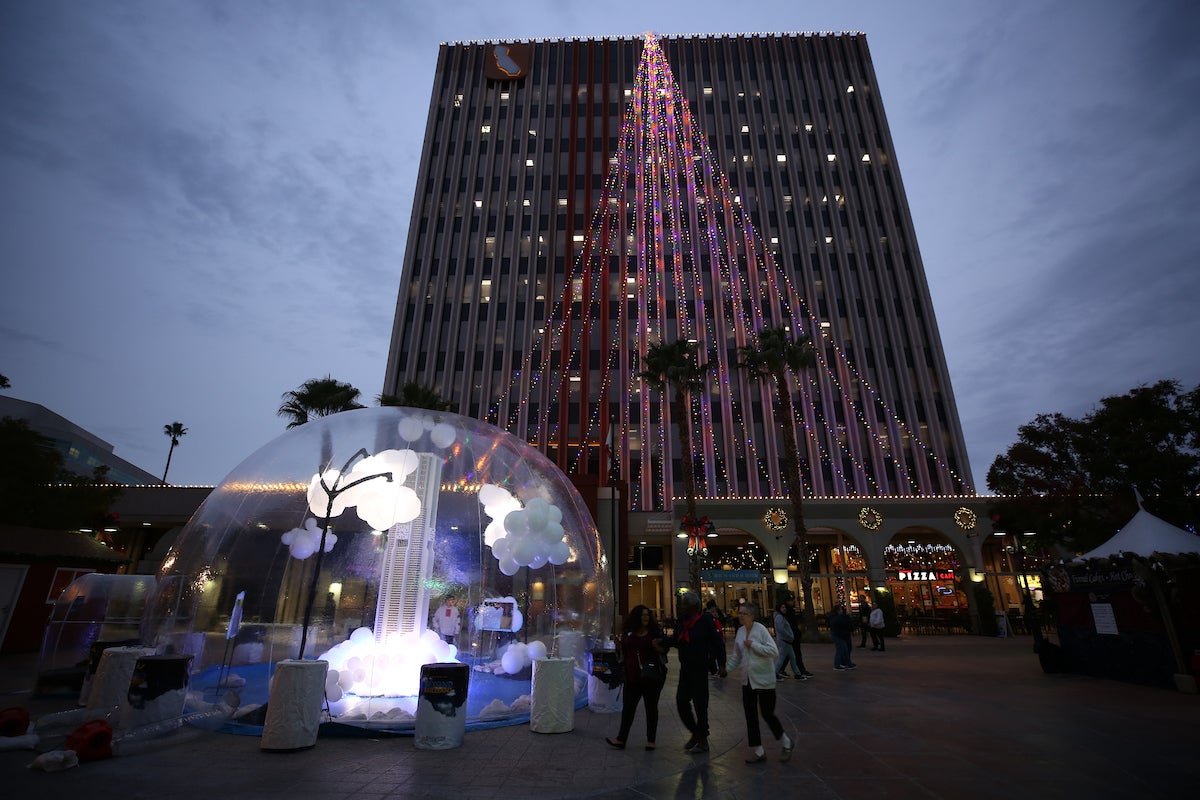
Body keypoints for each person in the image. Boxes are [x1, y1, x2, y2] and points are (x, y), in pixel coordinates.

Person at [724, 602, 793, 763]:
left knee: (767, 713)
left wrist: (754, 645)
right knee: (750, 715)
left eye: (744, 613)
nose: (740, 615)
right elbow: (737, 656)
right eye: (739, 613)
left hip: (764, 680)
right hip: (747, 680)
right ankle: (758, 750)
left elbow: (773, 651)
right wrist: (726, 669)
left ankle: (786, 742)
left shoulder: (760, 630)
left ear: (752, 615)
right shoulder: (740, 632)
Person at [664, 591, 726, 753]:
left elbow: (717, 642)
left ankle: (703, 738)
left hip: (699, 668)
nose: (681, 607)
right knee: (681, 702)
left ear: (694, 606)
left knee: (700, 704)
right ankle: (696, 732)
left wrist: (722, 665)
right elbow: (677, 640)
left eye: (685, 604)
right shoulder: (681, 621)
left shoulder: (705, 620)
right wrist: (661, 642)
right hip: (685, 669)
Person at [606, 605, 666, 750]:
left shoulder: (654, 633)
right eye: (643, 615)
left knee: (651, 708)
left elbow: (664, 650)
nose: (645, 618)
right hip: (632, 677)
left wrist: (658, 648)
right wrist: (618, 646)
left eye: (647, 615)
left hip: (650, 678)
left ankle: (651, 740)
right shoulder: (628, 634)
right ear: (636, 617)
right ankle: (621, 738)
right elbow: (623, 654)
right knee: (628, 709)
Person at [772, 602, 804, 680]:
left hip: (787, 641)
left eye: (785, 607)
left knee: (792, 657)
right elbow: (781, 629)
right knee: (782, 658)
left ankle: (797, 674)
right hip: (784, 641)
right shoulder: (779, 617)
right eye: (782, 607)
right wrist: (789, 636)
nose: (784, 609)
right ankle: (774, 673)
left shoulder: (782, 617)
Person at [830, 603, 857, 670]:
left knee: (844, 650)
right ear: (838, 611)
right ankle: (838, 665)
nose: (842, 611)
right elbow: (845, 624)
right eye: (840, 610)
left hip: (839, 635)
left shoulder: (835, 617)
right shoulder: (838, 618)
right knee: (841, 650)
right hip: (839, 636)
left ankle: (846, 663)